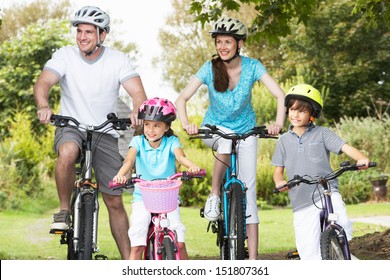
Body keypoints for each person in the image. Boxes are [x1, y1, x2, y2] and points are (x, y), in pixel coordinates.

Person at [33, 6, 147, 259]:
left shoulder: (118, 60)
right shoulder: (65, 55)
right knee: (68, 152)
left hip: (105, 131)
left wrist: (137, 111)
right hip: (71, 125)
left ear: (102, 35)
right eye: (79, 31)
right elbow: (43, 82)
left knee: (115, 201)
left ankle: (131, 264)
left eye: (89, 32)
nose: (82, 37)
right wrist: (44, 106)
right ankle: (64, 210)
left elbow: (138, 94)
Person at [175, 17, 285, 259]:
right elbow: (181, 98)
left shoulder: (253, 66)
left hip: (246, 131)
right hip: (214, 130)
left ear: (240, 43)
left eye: (228, 42)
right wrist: (186, 124)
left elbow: (280, 95)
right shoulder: (209, 68)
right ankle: (214, 195)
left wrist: (278, 123)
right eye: (218, 42)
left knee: (250, 191)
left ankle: (253, 260)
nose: (222, 46)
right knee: (224, 140)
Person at [271, 84, 370, 260]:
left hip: (327, 191)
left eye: (301, 111)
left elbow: (346, 148)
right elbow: (278, 172)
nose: (295, 115)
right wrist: (279, 182)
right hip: (301, 199)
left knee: (342, 222)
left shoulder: (322, 133)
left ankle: (342, 254)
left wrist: (361, 158)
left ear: (312, 114)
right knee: (309, 253)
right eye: (292, 109)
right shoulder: (284, 141)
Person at [112, 97, 201, 260]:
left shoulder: (171, 141)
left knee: (179, 242)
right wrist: (121, 174)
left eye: (156, 125)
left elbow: (180, 157)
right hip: (143, 197)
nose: (150, 129)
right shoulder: (137, 141)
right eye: (147, 124)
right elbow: (129, 160)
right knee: (137, 243)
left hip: (168, 197)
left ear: (166, 127)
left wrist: (192, 166)